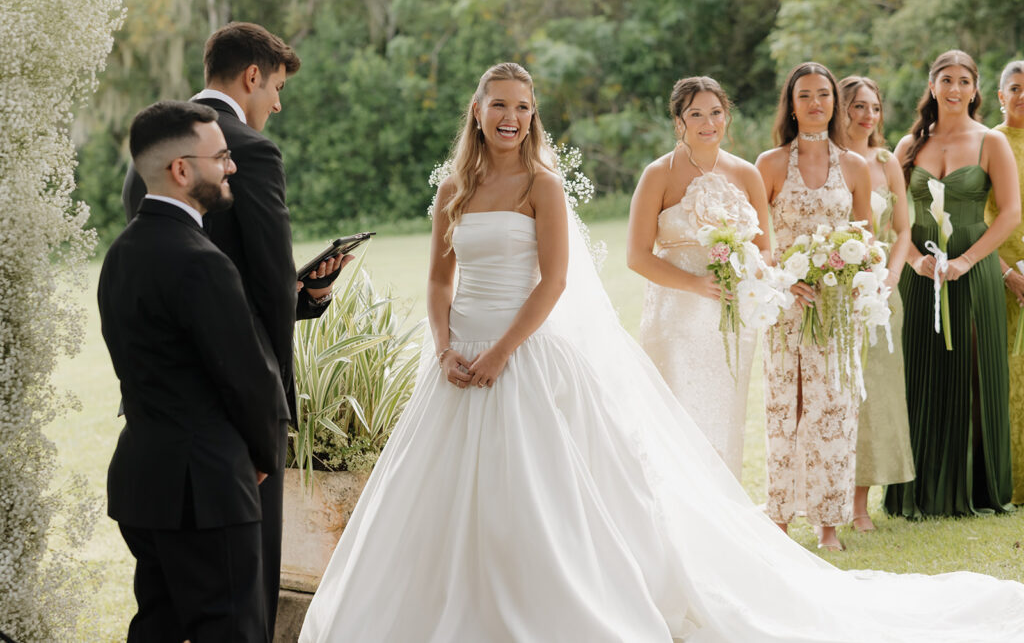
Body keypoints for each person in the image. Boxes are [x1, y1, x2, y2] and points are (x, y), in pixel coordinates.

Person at [301, 62, 1024, 642]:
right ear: (477, 111)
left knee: (543, 490)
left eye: (522, 105)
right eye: (498, 104)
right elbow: (437, 276)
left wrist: (499, 355)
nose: (511, 116)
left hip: (521, 352)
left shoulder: (543, 186)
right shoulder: (455, 188)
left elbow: (553, 282)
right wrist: (446, 345)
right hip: (456, 357)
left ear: (533, 114)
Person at [122, 22, 348, 636]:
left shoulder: (155, 150)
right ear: (253, 76)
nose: (276, 102)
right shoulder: (251, 150)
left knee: (162, 612)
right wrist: (269, 431)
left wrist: (297, 295)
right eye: (276, 86)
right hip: (230, 435)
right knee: (244, 603)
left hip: (158, 432)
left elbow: (174, 287)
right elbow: (264, 286)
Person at [101, 101, 287, 642]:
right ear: (181, 170)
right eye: (221, 157)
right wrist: (260, 456)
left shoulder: (120, 254)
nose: (231, 167)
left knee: (156, 629)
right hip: (205, 491)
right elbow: (247, 378)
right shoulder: (200, 260)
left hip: (145, 483)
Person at [885, 50, 1019, 518]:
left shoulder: (990, 143)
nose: (955, 88)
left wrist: (964, 261)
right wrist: (917, 262)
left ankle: (974, 488)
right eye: (947, 79)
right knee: (917, 371)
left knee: (969, 369)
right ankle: (914, 487)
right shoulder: (907, 146)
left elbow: (1010, 214)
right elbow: (892, 217)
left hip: (972, 270)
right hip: (919, 274)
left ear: (976, 89)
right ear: (933, 85)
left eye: (964, 80)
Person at [628, 76, 771, 479]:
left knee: (726, 416)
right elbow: (636, 256)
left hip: (732, 320)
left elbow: (765, 247)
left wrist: (750, 273)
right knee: (679, 417)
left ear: (726, 116)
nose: (708, 122)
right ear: (679, 121)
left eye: (716, 112)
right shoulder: (658, 174)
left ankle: (722, 515)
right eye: (696, 114)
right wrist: (695, 284)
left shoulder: (747, 174)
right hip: (676, 317)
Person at [755, 62, 873, 551]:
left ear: (835, 103)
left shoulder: (855, 167)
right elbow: (757, 244)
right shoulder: (769, 164)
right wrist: (785, 279)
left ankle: (828, 524)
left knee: (834, 411)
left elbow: (867, 241)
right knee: (788, 407)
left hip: (837, 311)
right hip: (786, 306)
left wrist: (850, 275)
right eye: (805, 95)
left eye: (823, 94)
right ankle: (779, 518)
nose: (816, 103)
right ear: (791, 103)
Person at [837, 75, 915, 531]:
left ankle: (860, 504)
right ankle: (828, 492)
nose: (868, 116)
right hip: (834, 291)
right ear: (840, 110)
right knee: (838, 393)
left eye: (874, 107)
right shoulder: (828, 162)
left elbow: (903, 231)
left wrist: (891, 276)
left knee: (877, 396)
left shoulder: (887, 163)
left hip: (883, 295)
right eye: (857, 106)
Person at [984, 59, 1024, 505]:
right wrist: (1008, 274)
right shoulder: (989, 143)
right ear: (999, 95)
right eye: (1014, 88)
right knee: (1003, 381)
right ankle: (1004, 483)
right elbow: (977, 217)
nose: (1022, 96)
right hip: (996, 274)